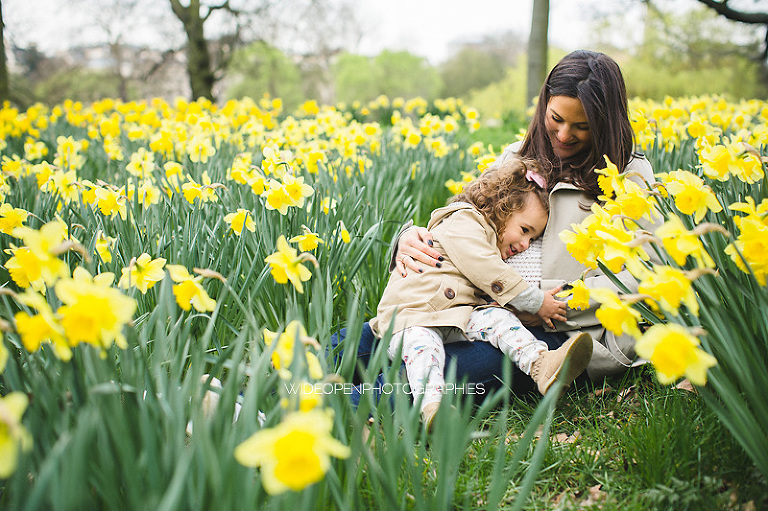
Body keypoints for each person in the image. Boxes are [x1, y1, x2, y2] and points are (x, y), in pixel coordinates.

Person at [331, 49, 656, 401]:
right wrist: (409, 238)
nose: (563, 135)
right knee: (359, 340)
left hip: (558, 329)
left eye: (582, 127)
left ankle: (331, 409)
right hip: (471, 307)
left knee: (452, 371)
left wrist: (551, 301)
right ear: (543, 105)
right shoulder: (517, 155)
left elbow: (647, 271)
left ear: (607, 123)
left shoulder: (629, 177)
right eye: (556, 119)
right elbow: (467, 216)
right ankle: (275, 385)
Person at [369, 157, 593, 428]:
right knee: (425, 349)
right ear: (502, 207)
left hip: (450, 317)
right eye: (525, 231)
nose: (525, 244)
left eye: (532, 239)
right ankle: (431, 407)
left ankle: (541, 364)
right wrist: (537, 302)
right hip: (412, 319)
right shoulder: (465, 221)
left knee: (498, 320)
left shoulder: (486, 235)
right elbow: (487, 269)